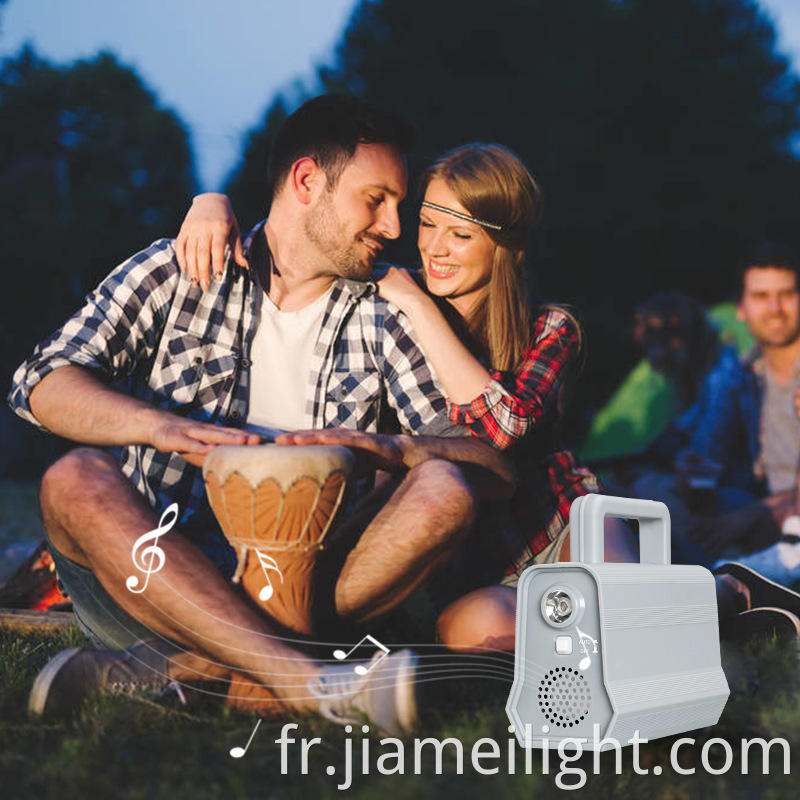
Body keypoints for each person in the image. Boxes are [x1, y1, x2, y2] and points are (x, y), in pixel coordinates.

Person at [7, 95, 516, 731]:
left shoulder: (387, 311)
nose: (393, 226)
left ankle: (177, 669)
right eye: (376, 199)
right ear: (307, 181)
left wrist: (398, 449)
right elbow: (39, 382)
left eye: (397, 206)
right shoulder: (178, 268)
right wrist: (157, 426)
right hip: (150, 575)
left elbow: (489, 464)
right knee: (72, 478)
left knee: (444, 486)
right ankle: (311, 678)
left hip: (306, 579)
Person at [176, 142, 635, 653]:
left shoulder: (549, 327)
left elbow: (501, 431)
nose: (435, 248)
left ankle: (724, 594)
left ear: (507, 246)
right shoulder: (384, 304)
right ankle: (621, 636)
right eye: (427, 224)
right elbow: (295, 251)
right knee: (473, 631)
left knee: (618, 600)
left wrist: (417, 303)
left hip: (557, 525)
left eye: (460, 234)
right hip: (472, 565)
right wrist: (210, 202)